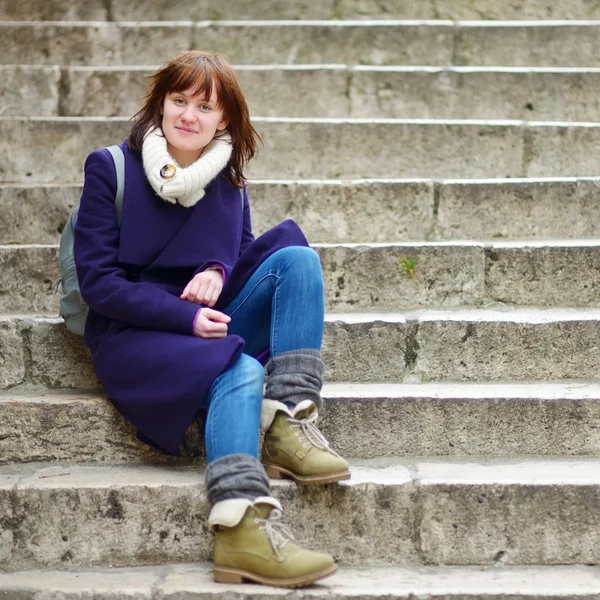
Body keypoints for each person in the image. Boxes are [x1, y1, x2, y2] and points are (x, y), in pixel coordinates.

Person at [73, 50, 351, 588]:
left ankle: (289, 420)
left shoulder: (228, 177)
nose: (188, 115)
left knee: (296, 260)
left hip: (204, 317)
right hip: (138, 331)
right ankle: (242, 530)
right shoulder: (110, 168)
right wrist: (182, 316)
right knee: (240, 370)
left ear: (224, 119)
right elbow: (99, 285)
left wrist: (219, 271)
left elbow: (238, 250)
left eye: (205, 106)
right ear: (161, 103)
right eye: (179, 100)